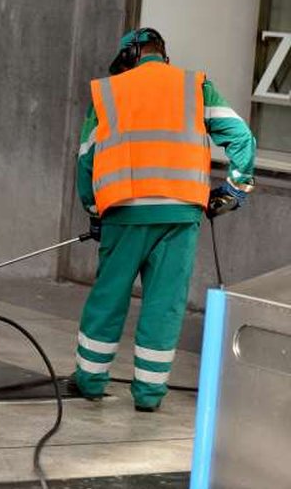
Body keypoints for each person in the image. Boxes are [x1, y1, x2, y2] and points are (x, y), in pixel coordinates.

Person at [71, 28, 256, 411]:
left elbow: (86, 160)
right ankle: (149, 395)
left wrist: (93, 210)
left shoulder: (108, 91)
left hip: (123, 211)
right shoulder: (195, 87)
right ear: (162, 55)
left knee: (108, 298)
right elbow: (242, 139)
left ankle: (89, 381)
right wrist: (235, 189)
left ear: (129, 56)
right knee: (164, 303)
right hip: (180, 214)